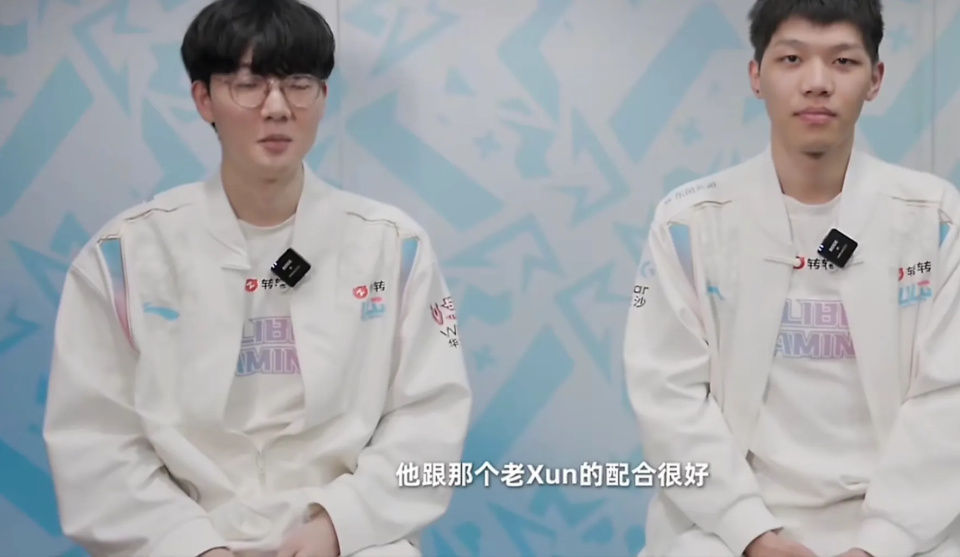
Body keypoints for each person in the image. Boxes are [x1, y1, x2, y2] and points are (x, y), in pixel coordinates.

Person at [42, 1, 472, 556]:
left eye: (299, 84)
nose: (277, 108)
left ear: (322, 96)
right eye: (248, 85)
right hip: (181, 540)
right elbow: (96, 440)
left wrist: (338, 526)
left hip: (351, 542)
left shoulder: (394, 247)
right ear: (204, 99)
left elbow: (430, 415)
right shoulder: (123, 258)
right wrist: (193, 546)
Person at [624, 0, 960, 556]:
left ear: (876, 79)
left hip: (905, 525)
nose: (817, 82)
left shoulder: (937, 219)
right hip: (727, 528)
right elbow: (667, 395)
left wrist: (882, 542)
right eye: (791, 58)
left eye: (843, 61)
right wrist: (750, 532)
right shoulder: (689, 223)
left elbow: (949, 399)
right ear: (756, 76)